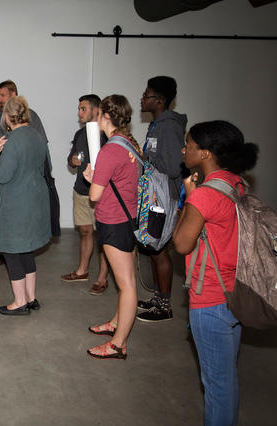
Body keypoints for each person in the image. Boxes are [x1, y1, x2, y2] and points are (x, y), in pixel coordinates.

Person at [169, 121, 257, 426]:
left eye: (188, 145)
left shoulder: (205, 193)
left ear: (204, 153)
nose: (183, 150)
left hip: (210, 297)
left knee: (216, 383)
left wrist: (190, 199)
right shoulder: (236, 183)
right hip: (236, 292)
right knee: (227, 377)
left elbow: (181, 243)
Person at [84, 95, 142, 359]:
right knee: (125, 279)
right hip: (128, 219)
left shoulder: (109, 150)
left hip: (114, 221)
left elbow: (95, 195)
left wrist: (92, 178)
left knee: (126, 283)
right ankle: (116, 323)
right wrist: (97, 177)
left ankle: (118, 344)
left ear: (104, 116)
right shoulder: (129, 144)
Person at [0, 80, 49, 266]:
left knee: (21, 219)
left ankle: (20, 251)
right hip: (2, 174)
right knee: (3, 216)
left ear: (14, 95)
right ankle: (4, 251)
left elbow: (40, 147)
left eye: (2, 95)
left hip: (23, 178)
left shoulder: (32, 118)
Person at [0, 96, 51, 316]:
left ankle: (19, 301)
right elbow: (45, 167)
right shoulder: (36, 136)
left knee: (12, 250)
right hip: (35, 200)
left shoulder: (12, 140)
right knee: (26, 249)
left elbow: (3, 176)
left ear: (8, 116)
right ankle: (31, 297)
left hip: (15, 204)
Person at [137, 76, 187, 322]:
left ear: (160, 100)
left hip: (165, 197)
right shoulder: (157, 124)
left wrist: (147, 158)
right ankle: (157, 297)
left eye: (146, 96)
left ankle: (164, 306)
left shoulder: (169, 127)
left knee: (159, 251)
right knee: (154, 248)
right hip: (155, 195)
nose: (142, 99)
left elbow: (174, 166)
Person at [61, 94, 110, 294]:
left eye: (83, 108)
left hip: (102, 193)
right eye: (79, 108)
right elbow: (71, 160)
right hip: (81, 191)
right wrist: (72, 161)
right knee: (85, 232)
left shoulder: (107, 134)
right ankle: (82, 271)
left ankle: (102, 278)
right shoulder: (81, 134)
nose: (79, 112)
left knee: (104, 237)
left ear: (96, 110)